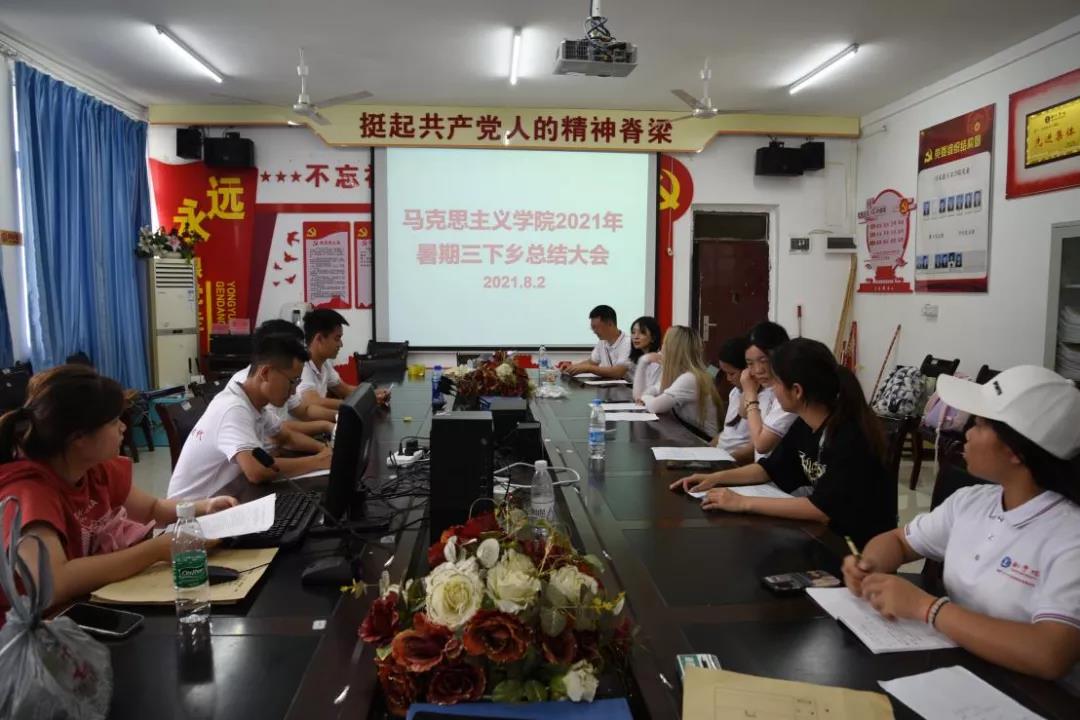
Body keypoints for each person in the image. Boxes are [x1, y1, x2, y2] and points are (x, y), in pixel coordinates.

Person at [842, 366, 1080, 684]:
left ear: (1015, 451)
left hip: (1034, 695)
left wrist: (927, 608)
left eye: (978, 425)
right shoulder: (972, 501)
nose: (966, 432)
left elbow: (1049, 654)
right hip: (961, 668)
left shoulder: (1069, 537)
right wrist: (870, 565)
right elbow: (898, 542)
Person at [0, 366, 237, 622]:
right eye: (114, 422)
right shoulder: (27, 493)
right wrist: (155, 550)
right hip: (41, 628)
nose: (123, 427)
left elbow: (153, 509)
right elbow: (55, 583)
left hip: (86, 605)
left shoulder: (93, 468)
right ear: (79, 437)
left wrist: (206, 506)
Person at [671, 338, 894, 546]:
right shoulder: (805, 424)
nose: (772, 389)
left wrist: (742, 502)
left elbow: (820, 510)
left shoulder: (849, 436)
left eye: (776, 382)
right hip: (826, 536)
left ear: (796, 391)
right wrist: (716, 478)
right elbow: (768, 469)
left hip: (857, 548)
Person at [167, 335, 332, 499]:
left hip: (226, 495)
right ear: (265, 373)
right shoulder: (233, 408)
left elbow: (286, 437)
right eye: (292, 381)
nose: (294, 391)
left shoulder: (255, 405)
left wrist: (323, 450)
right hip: (193, 511)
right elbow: (257, 471)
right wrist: (317, 462)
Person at [231, 319, 337, 438]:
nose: (293, 391)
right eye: (295, 347)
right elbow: (280, 430)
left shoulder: (282, 377)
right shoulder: (255, 385)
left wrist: (338, 417)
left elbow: (304, 411)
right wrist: (326, 426)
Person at [634, 326, 722, 438]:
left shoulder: (690, 378)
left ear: (673, 350)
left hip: (703, 442)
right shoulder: (677, 374)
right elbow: (642, 395)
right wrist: (643, 361)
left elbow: (655, 406)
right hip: (689, 437)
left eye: (665, 344)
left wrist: (645, 397)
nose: (662, 349)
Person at [299, 309, 390, 410]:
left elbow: (345, 390)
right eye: (337, 338)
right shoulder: (301, 365)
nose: (341, 344)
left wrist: (373, 394)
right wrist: (361, 402)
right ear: (319, 338)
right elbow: (313, 401)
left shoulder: (325, 363)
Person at [741, 321, 796, 460]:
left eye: (763, 360)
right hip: (762, 469)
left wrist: (750, 394)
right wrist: (748, 388)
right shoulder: (765, 389)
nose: (758, 370)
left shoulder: (790, 394)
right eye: (750, 363)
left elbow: (761, 445)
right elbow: (742, 413)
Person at [712, 336, 754, 464]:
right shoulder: (734, 393)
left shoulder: (761, 398)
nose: (728, 379)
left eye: (732, 373)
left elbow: (755, 448)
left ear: (748, 370)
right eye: (725, 373)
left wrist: (725, 460)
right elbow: (728, 432)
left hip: (736, 462)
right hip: (721, 456)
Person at [565, 305, 633, 379]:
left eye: (595, 327)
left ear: (610, 324)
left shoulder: (628, 343)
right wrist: (571, 367)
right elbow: (591, 362)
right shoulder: (602, 342)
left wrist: (588, 368)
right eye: (592, 328)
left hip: (629, 386)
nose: (594, 331)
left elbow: (618, 372)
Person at [629, 315, 662, 398]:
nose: (636, 337)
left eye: (642, 332)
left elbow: (651, 392)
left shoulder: (659, 359)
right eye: (633, 332)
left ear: (653, 338)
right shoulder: (638, 359)